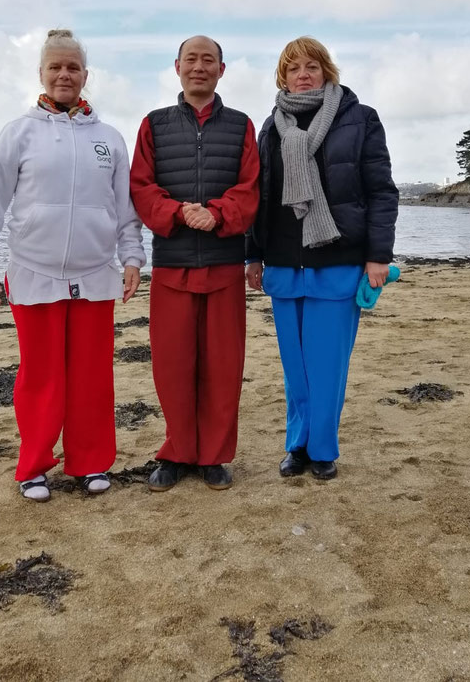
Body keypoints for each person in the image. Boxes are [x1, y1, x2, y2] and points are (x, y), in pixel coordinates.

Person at [0, 29, 145, 502]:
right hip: (33, 272)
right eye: (55, 67)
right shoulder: (19, 132)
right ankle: (34, 467)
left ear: (86, 75)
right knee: (41, 376)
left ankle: (89, 463)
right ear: (42, 74)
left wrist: (132, 257)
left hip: (94, 274)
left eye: (73, 67)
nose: (64, 75)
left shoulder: (108, 138)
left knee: (91, 375)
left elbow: (125, 208)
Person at [246, 37, 398, 480]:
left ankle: (323, 450)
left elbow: (381, 192)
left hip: (339, 260)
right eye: (294, 69)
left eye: (312, 66)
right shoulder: (270, 127)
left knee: (327, 365)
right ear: (283, 77)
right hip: (283, 263)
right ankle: (296, 445)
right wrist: (252, 254)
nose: (303, 74)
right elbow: (261, 197)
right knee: (295, 367)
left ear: (327, 70)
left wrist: (378, 257)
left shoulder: (359, 118)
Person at [130, 36, 260, 492]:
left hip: (224, 263)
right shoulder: (154, 124)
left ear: (222, 70)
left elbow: (251, 189)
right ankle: (178, 452)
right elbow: (141, 188)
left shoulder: (243, 126)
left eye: (209, 60)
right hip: (173, 265)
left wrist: (218, 213)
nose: (199, 67)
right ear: (177, 67)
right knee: (172, 366)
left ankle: (215, 457)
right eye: (192, 59)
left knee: (223, 367)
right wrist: (179, 212)